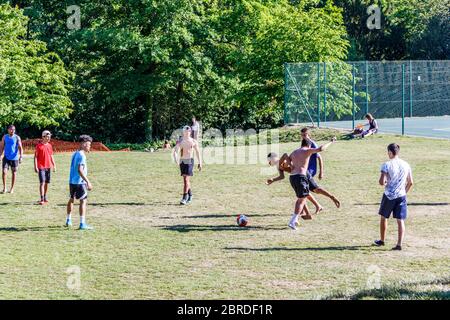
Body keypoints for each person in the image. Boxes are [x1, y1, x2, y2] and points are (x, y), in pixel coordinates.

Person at [287, 137, 336, 230]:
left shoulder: (294, 152)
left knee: (301, 198)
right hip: (300, 177)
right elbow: (321, 149)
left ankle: (296, 219)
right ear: (309, 145)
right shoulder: (307, 150)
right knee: (301, 200)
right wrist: (330, 142)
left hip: (292, 177)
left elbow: (286, 162)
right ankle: (293, 221)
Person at [374, 143, 413, 251]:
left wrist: (383, 178)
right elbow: (410, 182)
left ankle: (382, 240)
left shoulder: (386, 164)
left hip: (389, 196)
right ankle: (399, 244)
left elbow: (382, 182)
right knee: (400, 220)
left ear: (390, 152)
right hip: (401, 195)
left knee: (384, 217)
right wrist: (404, 192)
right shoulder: (406, 164)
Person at [266, 152, 323, 220]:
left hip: (302, 174)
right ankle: (311, 209)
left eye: (269, 161)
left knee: (303, 194)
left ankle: (310, 210)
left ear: (273, 159)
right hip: (297, 176)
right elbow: (282, 176)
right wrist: (273, 180)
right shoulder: (278, 166)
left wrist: (290, 164)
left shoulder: (282, 160)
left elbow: (285, 154)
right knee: (302, 194)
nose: (269, 163)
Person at [300, 128, 340, 209]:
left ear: (309, 135)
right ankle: (320, 205)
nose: (304, 137)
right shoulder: (304, 144)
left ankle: (306, 211)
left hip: (309, 171)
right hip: (305, 171)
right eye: (302, 135)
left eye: (305, 135)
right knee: (314, 190)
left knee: (303, 191)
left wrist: (321, 172)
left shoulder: (313, 144)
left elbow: (319, 158)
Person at [66, 135, 94, 230]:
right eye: (88, 144)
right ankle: (82, 223)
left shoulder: (75, 153)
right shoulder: (82, 155)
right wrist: (88, 181)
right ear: (83, 144)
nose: (89, 146)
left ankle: (68, 220)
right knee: (83, 201)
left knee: (71, 199)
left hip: (72, 181)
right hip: (80, 182)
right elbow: (80, 170)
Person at [173, 126, 202, 205]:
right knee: (186, 180)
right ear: (183, 132)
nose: (187, 132)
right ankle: (191, 195)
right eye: (185, 131)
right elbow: (176, 151)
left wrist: (200, 162)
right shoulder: (180, 141)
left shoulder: (193, 141)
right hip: (182, 161)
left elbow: (197, 152)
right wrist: (176, 158)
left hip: (189, 161)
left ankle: (184, 198)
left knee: (186, 180)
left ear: (190, 132)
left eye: (188, 131)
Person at [34, 130, 56, 205]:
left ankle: (45, 197)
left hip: (48, 166)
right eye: (48, 137)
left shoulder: (49, 145)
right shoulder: (38, 146)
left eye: (49, 136)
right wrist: (36, 166)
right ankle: (42, 199)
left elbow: (51, 155)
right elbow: (36, 157)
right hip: (41, 167)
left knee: (46, 183)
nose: (49, 138)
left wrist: (54, 165)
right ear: (43, 137)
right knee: (42, 182)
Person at [0, 125, 23, 194]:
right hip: (6, 157)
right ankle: (4, 188)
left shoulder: (17, 137)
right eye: (11, 129)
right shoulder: (5, 137)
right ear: (8, 130)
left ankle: (12, 188)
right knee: (4, 172)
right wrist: (0, 155)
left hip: (14, 158)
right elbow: (1, 147)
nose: (12, 131)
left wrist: (21, 156)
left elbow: (20, 148)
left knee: (14, 173)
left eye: (13, 129)